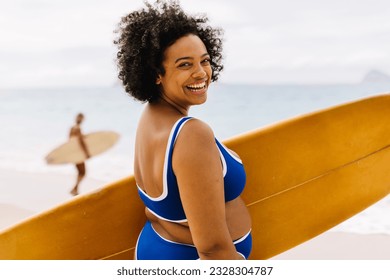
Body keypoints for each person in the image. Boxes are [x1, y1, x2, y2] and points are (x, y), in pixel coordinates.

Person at [114, 0, 252, 260]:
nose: (201, 73)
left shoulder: (150, 118)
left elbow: (159, 209)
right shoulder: (191, 134)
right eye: (185, 65)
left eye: (205, 61)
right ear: (156, 73)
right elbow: (212, 249)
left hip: (157, 246)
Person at [69, 113, 90, 196]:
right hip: (78, 154)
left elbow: (70, 141)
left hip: (74, 153)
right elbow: (80, 142)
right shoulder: (78, 129)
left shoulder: (72, 128)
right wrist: (87, 153)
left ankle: (75, 189)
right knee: (83, 172)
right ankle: (74, 189)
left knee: (80, 172)